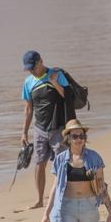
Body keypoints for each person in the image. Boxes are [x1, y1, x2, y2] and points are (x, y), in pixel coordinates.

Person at [21, 50, 75, 209]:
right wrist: (24, 131)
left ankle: (64, 196)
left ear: (40, 61)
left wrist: (55, 84)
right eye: (28, 68)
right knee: (39, 163)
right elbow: (29, 109)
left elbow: (68, 97)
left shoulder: (56, 74)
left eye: (33, 67)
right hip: (39, 129)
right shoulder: (28, 82)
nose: (31, 70)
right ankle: (39, 200)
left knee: (62, 163)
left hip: (58, 128)